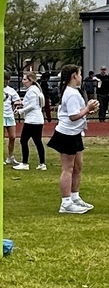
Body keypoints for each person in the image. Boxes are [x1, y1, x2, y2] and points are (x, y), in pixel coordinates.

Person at [47, 65, 98, 214]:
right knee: (68, 169)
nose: (81, 77)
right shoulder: (71, 93)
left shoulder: (73, 92)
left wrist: (88, 110)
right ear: (74, 75)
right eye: (80, 74)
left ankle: (75, 197)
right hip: (67, 134)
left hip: (74, 133)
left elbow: (77, 112)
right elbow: (73, 116)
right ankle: (66, 203)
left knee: (77, 167)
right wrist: (87, 109)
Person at [16, 71, 47, 170]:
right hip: (37, 120)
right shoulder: (35, 90)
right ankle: (42, 163)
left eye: (25, 79)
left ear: (31, 80)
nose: (23, 81)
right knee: (38, 142)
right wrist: (21, 103)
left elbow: (33, 105)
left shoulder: (32, 90)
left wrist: (21, 111)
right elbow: (32, 103)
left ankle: (25, 163)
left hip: (32, 120)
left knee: (23, 140)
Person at [3, 74, 24, 167]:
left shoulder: (11, 90)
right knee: (0, 138)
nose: (7, 82)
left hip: (9, 115)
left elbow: (17, 100)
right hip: (0, 115)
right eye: (5, 79)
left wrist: (17, 105)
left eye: (8, 80)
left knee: (12, 136)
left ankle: (10, 156)